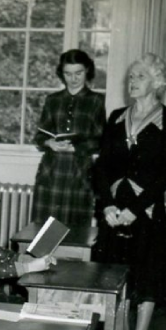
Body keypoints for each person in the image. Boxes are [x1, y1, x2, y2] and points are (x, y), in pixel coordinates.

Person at [93, 53, 166, 330]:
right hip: (113, 208)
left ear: (157, 83)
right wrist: (106, 206)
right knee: (115, 272)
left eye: (140, 76)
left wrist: (135, 209)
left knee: (148, 272)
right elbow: (102, 167)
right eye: (131, 76)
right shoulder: (117, 116)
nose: (133, 82)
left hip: (146, 210)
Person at [31, 49, 106, 229]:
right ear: (61, 73)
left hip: (79, 172)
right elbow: (40, 136)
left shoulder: (96, 101)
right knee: (44, 230)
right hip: (52, 172)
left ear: (87, 70)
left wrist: (75, 148)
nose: (73, 79)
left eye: (78, 73)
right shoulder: (52, 100)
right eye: (68, 74)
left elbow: (101, 141)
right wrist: (50, 143)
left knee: (75, 232)